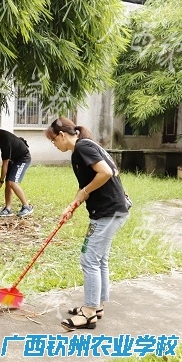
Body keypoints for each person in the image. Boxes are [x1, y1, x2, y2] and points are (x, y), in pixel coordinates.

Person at [45, 117, 129, 331]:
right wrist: (72, 205)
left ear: (62, 135)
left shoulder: (82, 147)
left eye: (54, 140)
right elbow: (87, 184)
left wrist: (84, 192)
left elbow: (106, 173)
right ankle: (97, 306)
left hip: (108, 212)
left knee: (89, 258)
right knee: (99, 259)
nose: (54, 144)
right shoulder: (85, 146)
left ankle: (89, 313)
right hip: (111, 211)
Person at [0, 126, 34, 217]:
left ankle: (27, 206)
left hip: (22, 159)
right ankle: (8, 209)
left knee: (12, 182)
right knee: (8, 183)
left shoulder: (5, 141)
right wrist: (3, 181)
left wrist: (0, 181)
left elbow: (5, 164)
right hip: (13, 159)